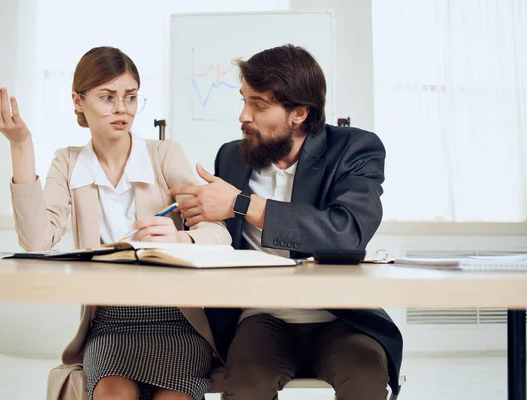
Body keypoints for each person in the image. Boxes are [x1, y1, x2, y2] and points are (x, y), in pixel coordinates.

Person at [0, 46, 231, 400]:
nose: (121, 108)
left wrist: (181, 240)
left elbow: (218, 233)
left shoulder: (164, 154)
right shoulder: (67, 162)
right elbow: (36, 241)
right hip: (110, 323)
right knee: (112, 395)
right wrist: (21, 145)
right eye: (107, 97)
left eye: (131, 97)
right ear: (78, 101)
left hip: (176, 320)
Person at [168, 44, 403, 400]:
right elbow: (216, 236)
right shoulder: (232, 155)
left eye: (259, 105)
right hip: (261, 317)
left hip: (340, 317)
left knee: (366, 382)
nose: (243, 116)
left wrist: (241, 204)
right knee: (245, 387)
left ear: (299, 113)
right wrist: (191, 219)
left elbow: (346, 232)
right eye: (244, 100)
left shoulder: (355, 149)